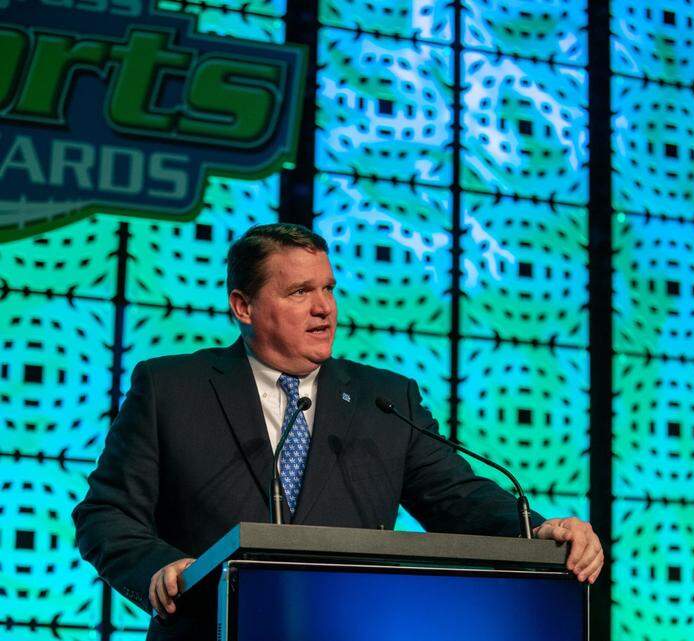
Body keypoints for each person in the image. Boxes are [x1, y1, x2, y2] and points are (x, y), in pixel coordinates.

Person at [73, 223, 603, 639]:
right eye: (300, 291)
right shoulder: (172, 388)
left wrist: (536, 528)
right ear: (243, 306)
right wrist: (161, 569)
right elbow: (106, 514)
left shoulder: (385, 400)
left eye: (327, 288)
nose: (324, 308)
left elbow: (456, 497)